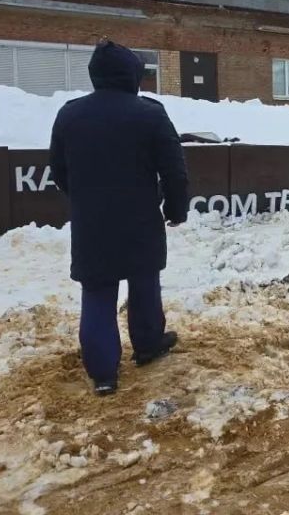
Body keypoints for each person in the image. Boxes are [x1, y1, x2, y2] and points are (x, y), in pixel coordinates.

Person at [49, 41, 189, 396]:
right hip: (140, 221)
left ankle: (103, 374)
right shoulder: (150, 113)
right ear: (132, 75)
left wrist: (84, 200)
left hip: (92, 225)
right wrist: (175, 209)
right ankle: (147, 345)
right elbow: (174, 171)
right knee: (144, 285)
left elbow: (59, 171)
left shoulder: (70, 115)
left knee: (97, 292)